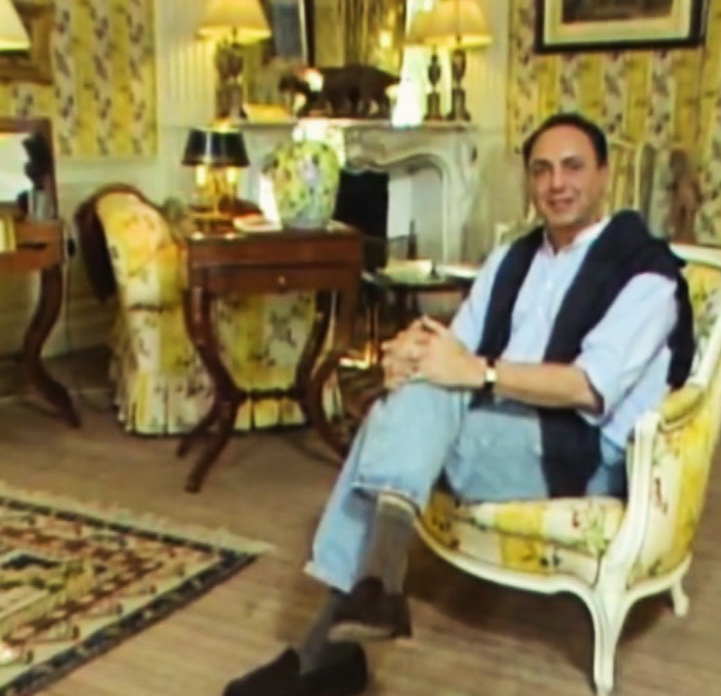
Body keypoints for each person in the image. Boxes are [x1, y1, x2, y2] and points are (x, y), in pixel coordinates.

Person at [222, 112, 695, 696]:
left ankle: (329, 647)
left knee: (392, 420)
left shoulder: (645, 273)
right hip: (495, 423)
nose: (556, 184)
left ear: (603, 174)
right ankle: (367, 601)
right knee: (414, 395)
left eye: (572, 167)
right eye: (542, 170)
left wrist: (477, 372)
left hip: (574, 450)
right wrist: (408, 358)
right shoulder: (514, 257)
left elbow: (587, 388)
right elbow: (454, 348)